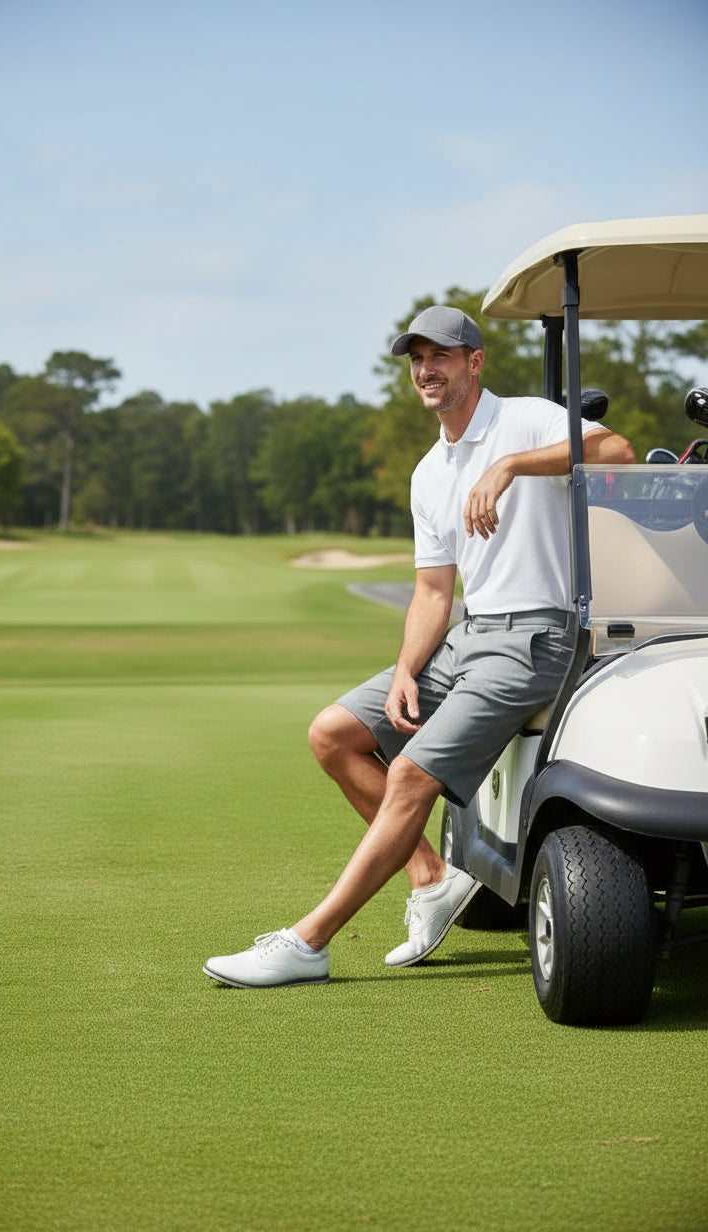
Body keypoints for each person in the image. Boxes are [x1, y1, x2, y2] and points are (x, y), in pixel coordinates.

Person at [203, 305, 635, 988]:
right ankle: (431, 880)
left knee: (409, 775)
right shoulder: (430, 471)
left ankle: (307, 943)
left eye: (441, 356)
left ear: (474, 363)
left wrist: (511, 468)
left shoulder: (527, 421)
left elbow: (618, 452)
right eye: (417, 360)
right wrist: (407, 668)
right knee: (333, 735)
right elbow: (434, 594)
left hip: (540, 636)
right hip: (470, 634)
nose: (427, 371)